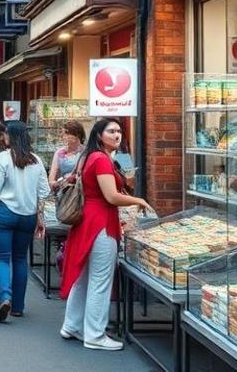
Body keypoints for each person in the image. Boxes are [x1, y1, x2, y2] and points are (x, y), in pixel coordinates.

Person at [60, 118, 153, 351]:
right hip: (100, 222)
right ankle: (95, 334)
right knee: (100, 280)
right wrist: (138, 199)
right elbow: (111, 196)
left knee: (84, 277)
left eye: (119, 131)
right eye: (111, 131)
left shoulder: (91, 156)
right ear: (99, 135)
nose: (117, 134)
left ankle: (72, 325)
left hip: (88, 221)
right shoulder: (101, 159)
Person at [0, 122, 49, 322]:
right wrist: (40, 217)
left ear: (10, 136)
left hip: (4, 212)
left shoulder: (3, 158)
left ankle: (5, 297)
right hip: (27, 215)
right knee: (20, 259)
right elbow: (44, 192)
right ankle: (18, 307)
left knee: (1, 258)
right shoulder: (36, 160)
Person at [49, 121, 86, 191]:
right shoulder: (59, 153)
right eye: (63, 133)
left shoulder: (85, 152)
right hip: (64, 191)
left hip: (80, 191)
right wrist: (54, 184)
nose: (63, 135)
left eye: (66, 132)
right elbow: (52, 178)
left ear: (77, 134)